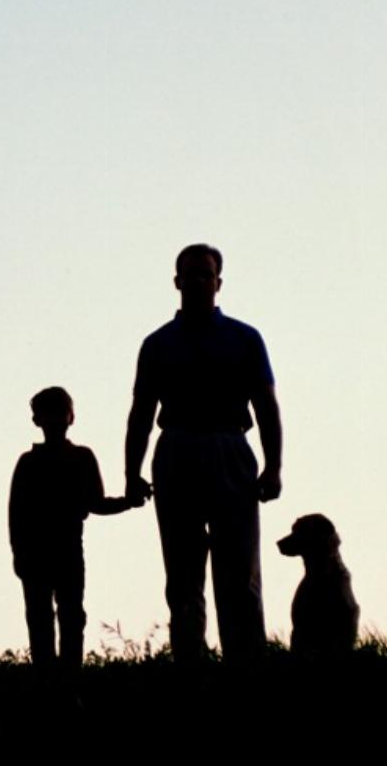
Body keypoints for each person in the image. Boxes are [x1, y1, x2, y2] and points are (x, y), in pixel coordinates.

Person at [124, 244, 282, 663]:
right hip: (177, 449)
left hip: (231, 448)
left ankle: (245, 663)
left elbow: (266, 405)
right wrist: (131, 471)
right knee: (183, 572)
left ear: (218, 282)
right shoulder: (157, 344)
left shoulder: (245, 338)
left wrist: (274, 466)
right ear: (176, 281)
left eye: (205, 275)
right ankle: (189, 664)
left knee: (239, 571)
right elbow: (141, 411)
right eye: (189, 275)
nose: (196, 282)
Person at [9, 387, 143, 669]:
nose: (55, 419)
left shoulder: (73, 458)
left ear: (71, 417)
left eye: (59, 411)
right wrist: (19, 554)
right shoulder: (33, 462)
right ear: (37, 419)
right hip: (41, 551)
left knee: (65, 616)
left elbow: (96, 503)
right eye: (50, 412)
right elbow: (17, 514)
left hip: (65, 549)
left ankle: (67, 678)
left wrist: (127, 502)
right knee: (45, 617)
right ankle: (54, 679)